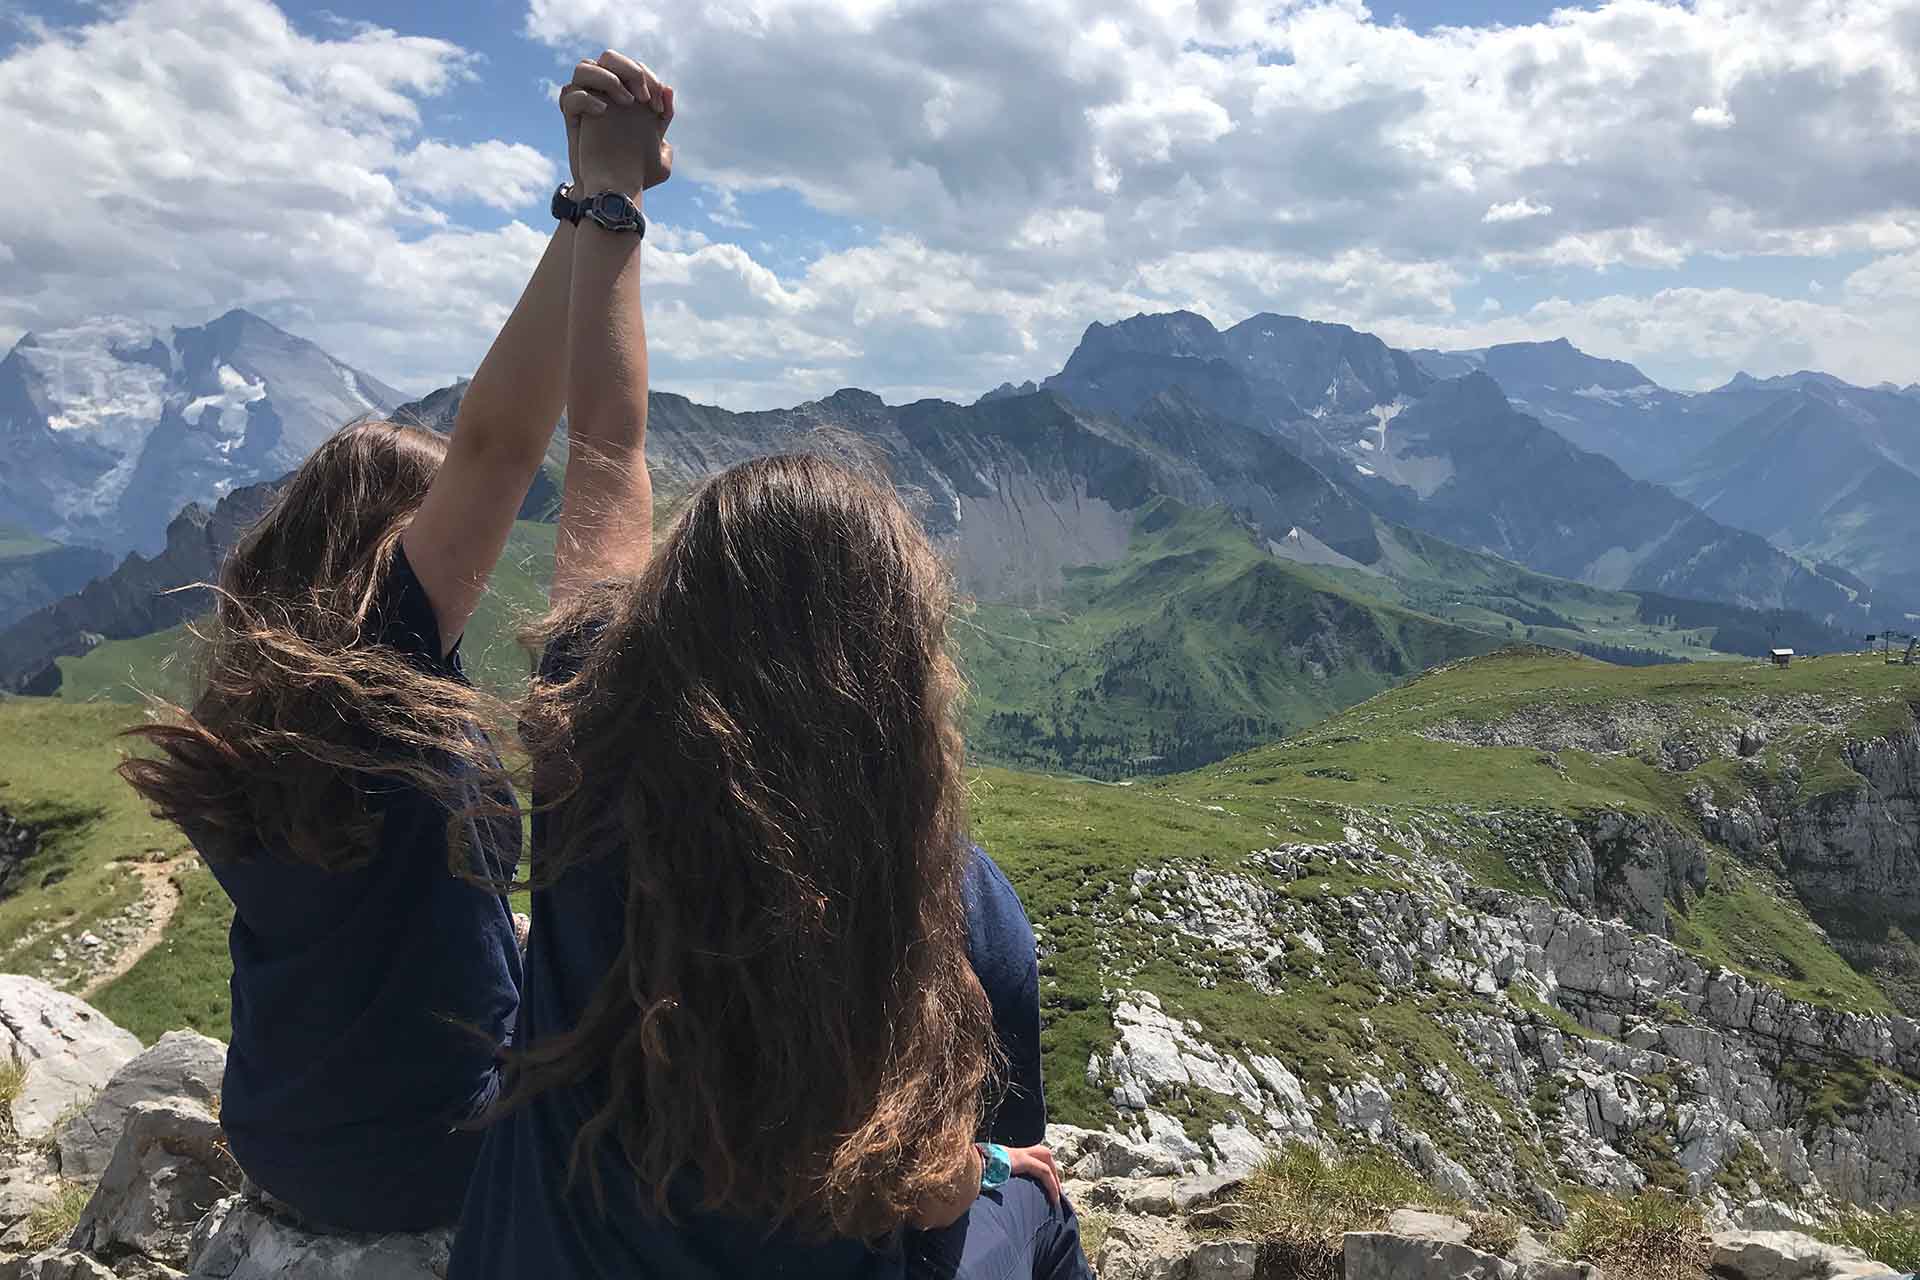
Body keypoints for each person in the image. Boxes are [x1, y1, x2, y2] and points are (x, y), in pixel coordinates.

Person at [450, 51, 1091, 1280]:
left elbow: (608, 455)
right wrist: (994, 1174)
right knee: (1037, 1200)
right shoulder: (958, 908)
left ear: (674, 632)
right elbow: (949, 1176)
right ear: (907, 684)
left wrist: (608, 196)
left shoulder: (593, 780)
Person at [113, 67, 619, 1233]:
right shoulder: (383, 675)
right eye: (437, 532)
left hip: (281, 1136)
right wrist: (594, 207)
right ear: (386, 553)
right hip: (437, 1155)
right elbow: (497, 446)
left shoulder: (255, 706)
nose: (474, 560)